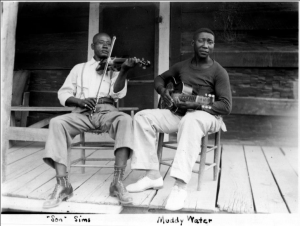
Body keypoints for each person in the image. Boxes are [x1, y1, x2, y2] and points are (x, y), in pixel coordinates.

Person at [126, 28, 232, 211]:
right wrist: (163, 91)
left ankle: (180, 187)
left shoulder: (218, 71)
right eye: (201, 41)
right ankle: (152, 175)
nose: (205, 45)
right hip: (179, 114)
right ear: (193, 43)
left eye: (210, 42)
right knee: (142, 117)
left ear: (213, 45)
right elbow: (159, 78)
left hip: (208, 116)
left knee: (191, 121)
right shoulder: (182, 66)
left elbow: (226, 106)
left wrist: (197, 106)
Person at [43, 32, 138, 209]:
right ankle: (63, 185)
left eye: (109, 44)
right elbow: (63, 93)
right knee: (57, 122)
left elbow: (118, 94)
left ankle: (117, 183)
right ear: (92, 46)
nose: (105, 46)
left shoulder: (114, 70)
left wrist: (124, 70)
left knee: (125, 120)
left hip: (107, 111)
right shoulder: (79, 68)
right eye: (101, 43)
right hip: (81, 113)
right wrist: (79, 101)